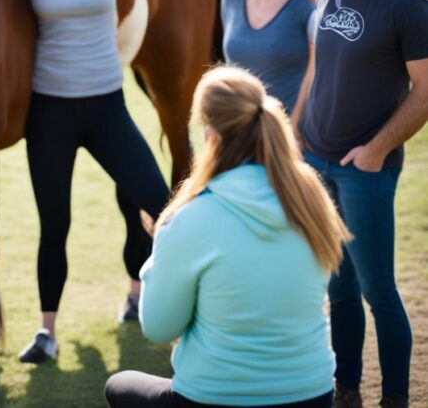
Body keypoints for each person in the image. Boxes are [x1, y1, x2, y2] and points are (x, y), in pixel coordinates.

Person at [0, 0, 170, 364]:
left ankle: (145, 292)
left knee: (162, 204)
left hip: (106, 106)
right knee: (55, 225)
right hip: (50, 113)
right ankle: (46, 333)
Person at [105, 65, 350, 408]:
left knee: (118, 385)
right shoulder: (311, 197)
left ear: (210, 135)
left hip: (214, 397)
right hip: (313, 394)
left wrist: (159, 247)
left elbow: (159, 327)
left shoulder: (191, 218)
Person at [296, 0, 428, 408]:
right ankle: (345, 390)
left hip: (364, 170)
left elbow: (426, 90)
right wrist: (298, 127)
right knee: (339, 288)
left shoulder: (407, 5)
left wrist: (375, 150)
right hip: (318, 161)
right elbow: (316, 65)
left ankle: (394, 398)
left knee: (378, 291)